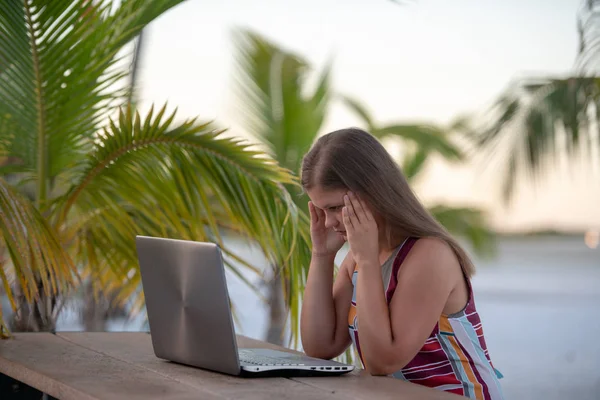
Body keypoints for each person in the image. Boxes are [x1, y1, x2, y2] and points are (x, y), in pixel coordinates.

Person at [299, 128, 504, 399]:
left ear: (373, 192)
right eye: (322, 210)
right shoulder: (357, 260)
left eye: (335, 208)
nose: (328, 222)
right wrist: (322, 255)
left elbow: (382, 362)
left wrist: (368, 262)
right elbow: (320, 345)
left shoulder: (429, 255)